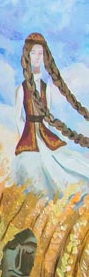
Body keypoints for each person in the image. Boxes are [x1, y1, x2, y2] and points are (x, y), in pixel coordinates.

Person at [11, 32, 89, 196]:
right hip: (28, 136)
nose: (37, 57)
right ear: (27, 55)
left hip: (45, 134)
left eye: (40, 53)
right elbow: (18, 118)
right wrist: (24, 136)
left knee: (62, 162)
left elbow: (47, 118)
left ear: (45, 56)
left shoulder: (47, 89)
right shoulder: (21, 89)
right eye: (33, 53)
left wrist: (45, 137)